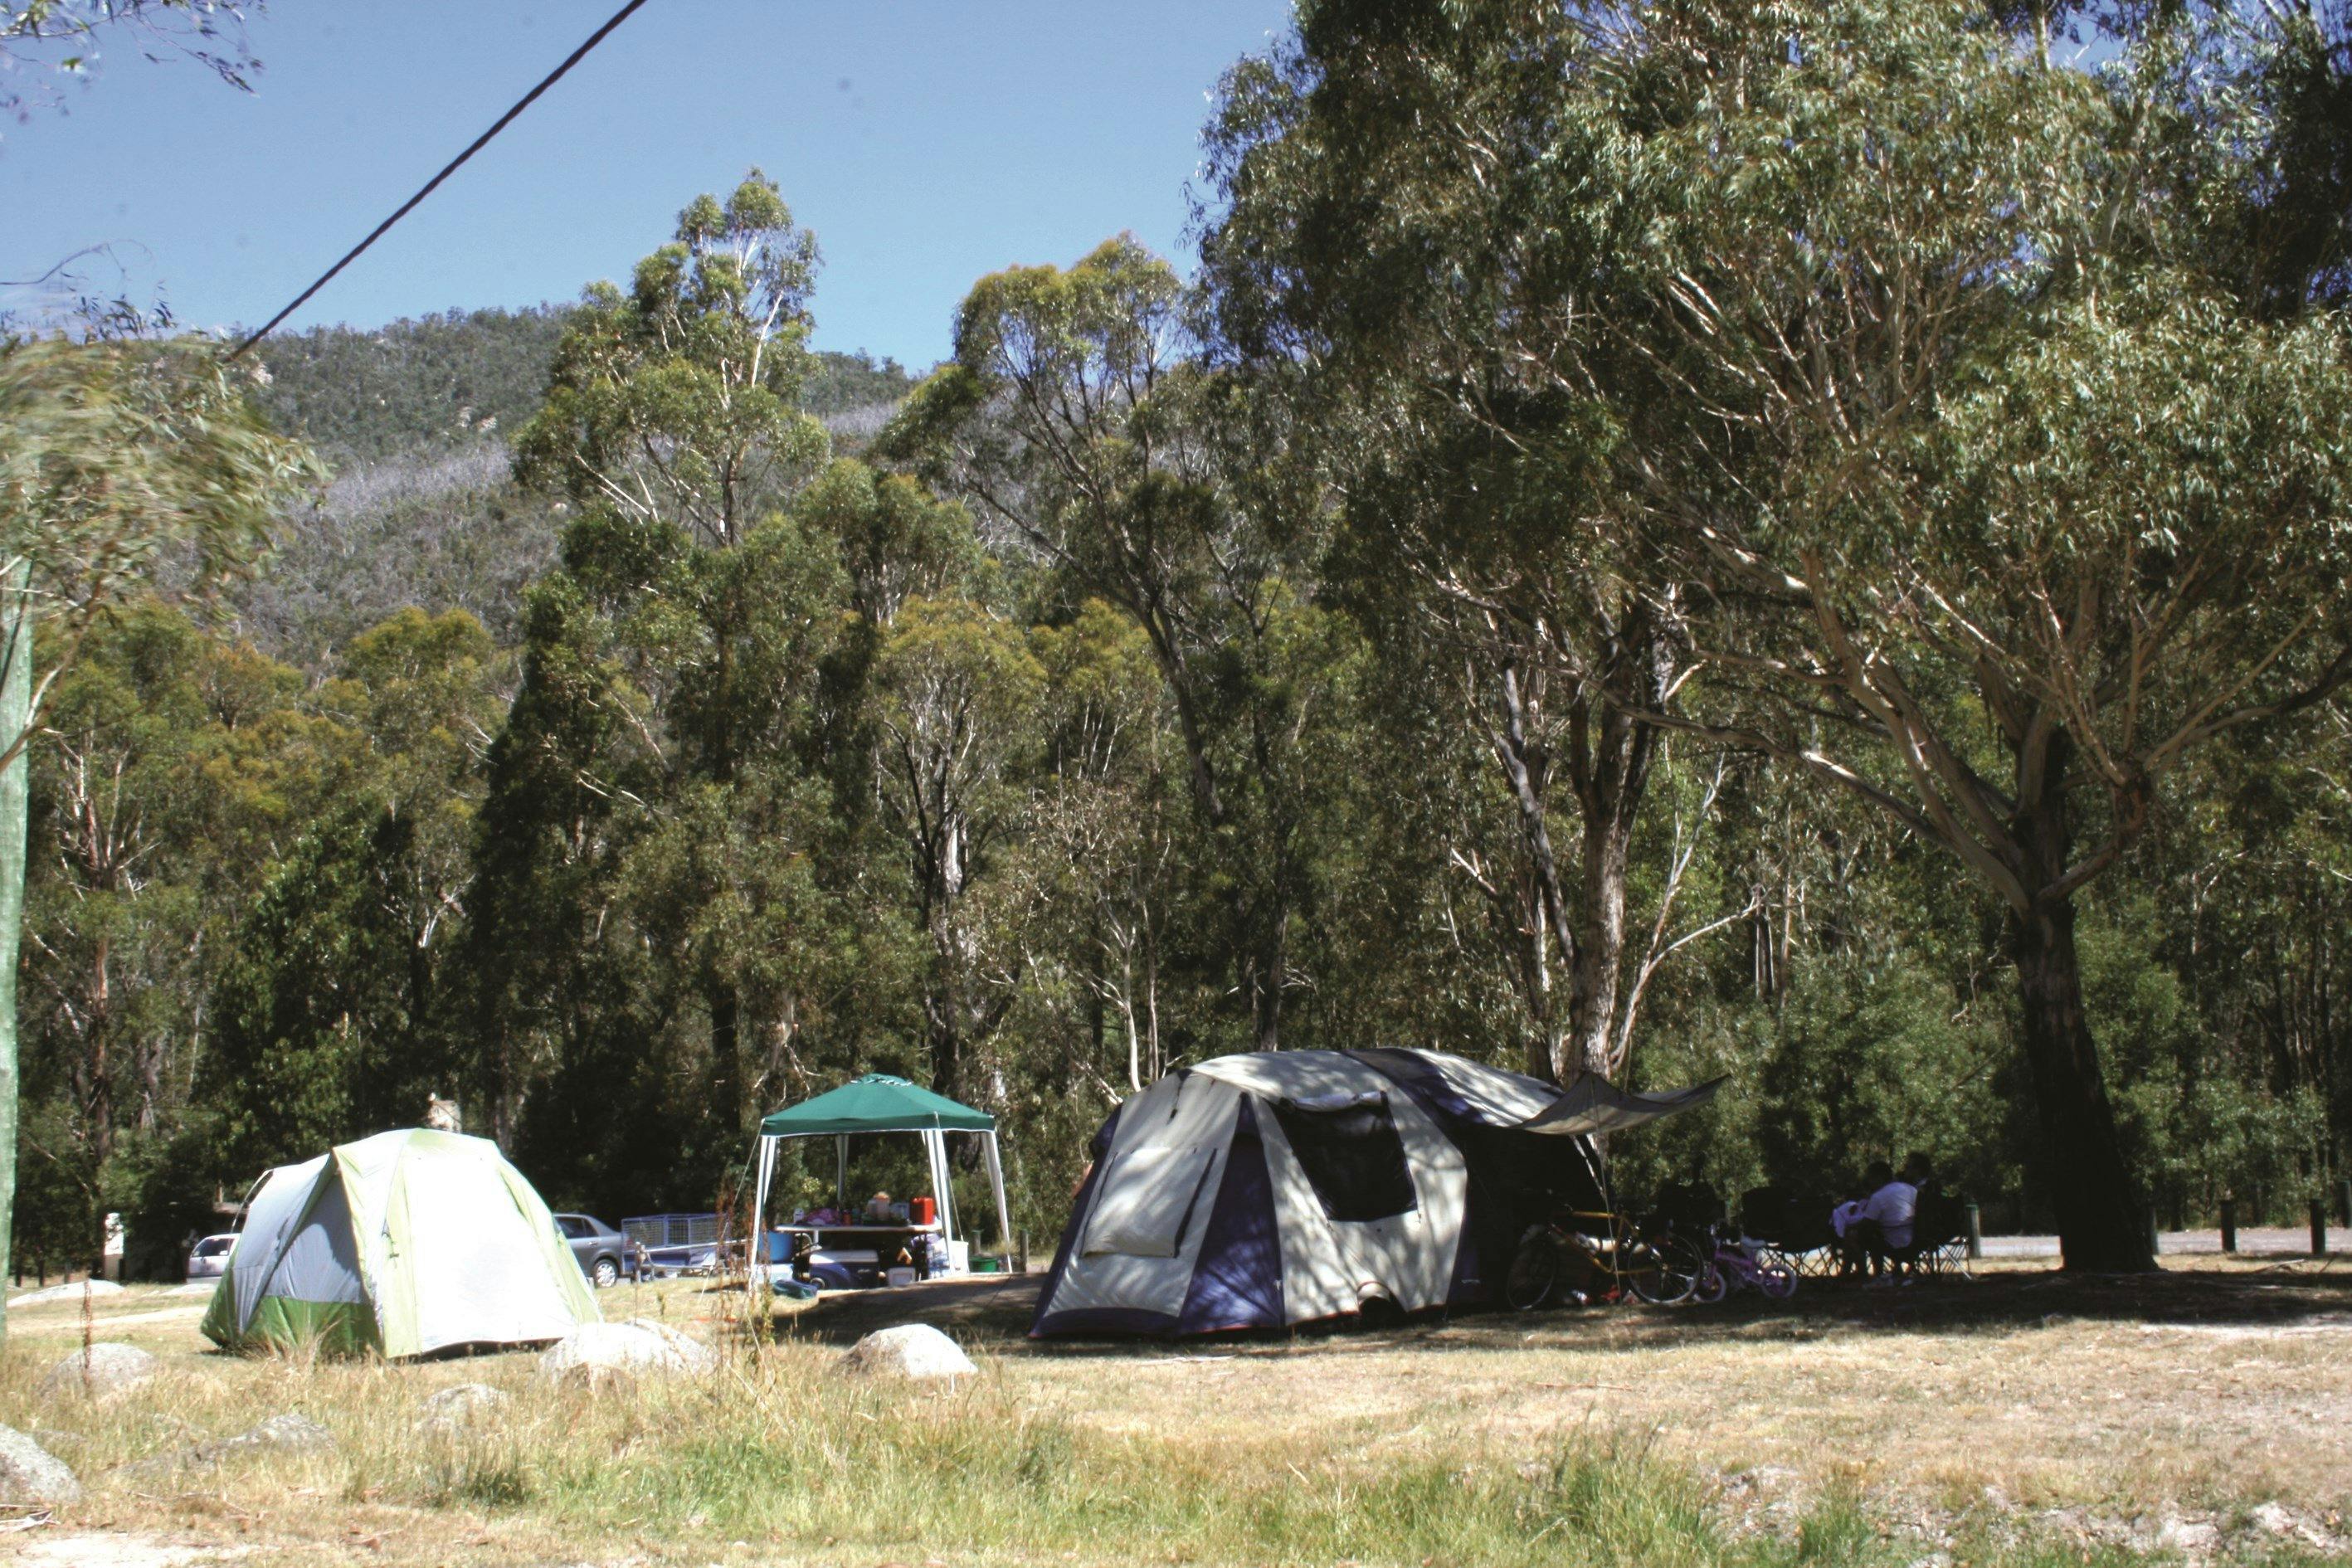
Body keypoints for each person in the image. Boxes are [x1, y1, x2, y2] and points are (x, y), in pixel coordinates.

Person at [1848, 1161, 1920, 1282]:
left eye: (1870, 1178)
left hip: (1893, 1244)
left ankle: (1867, 1274)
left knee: (1856, 1234)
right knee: (1873, 1232)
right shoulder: (1911, 1189)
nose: (1868, 1182)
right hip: (1916, 1241)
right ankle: (1894, 1270)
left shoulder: (1879, 1196)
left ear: (1878, 1178)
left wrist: (1850, 1226)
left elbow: (1867, 1224)